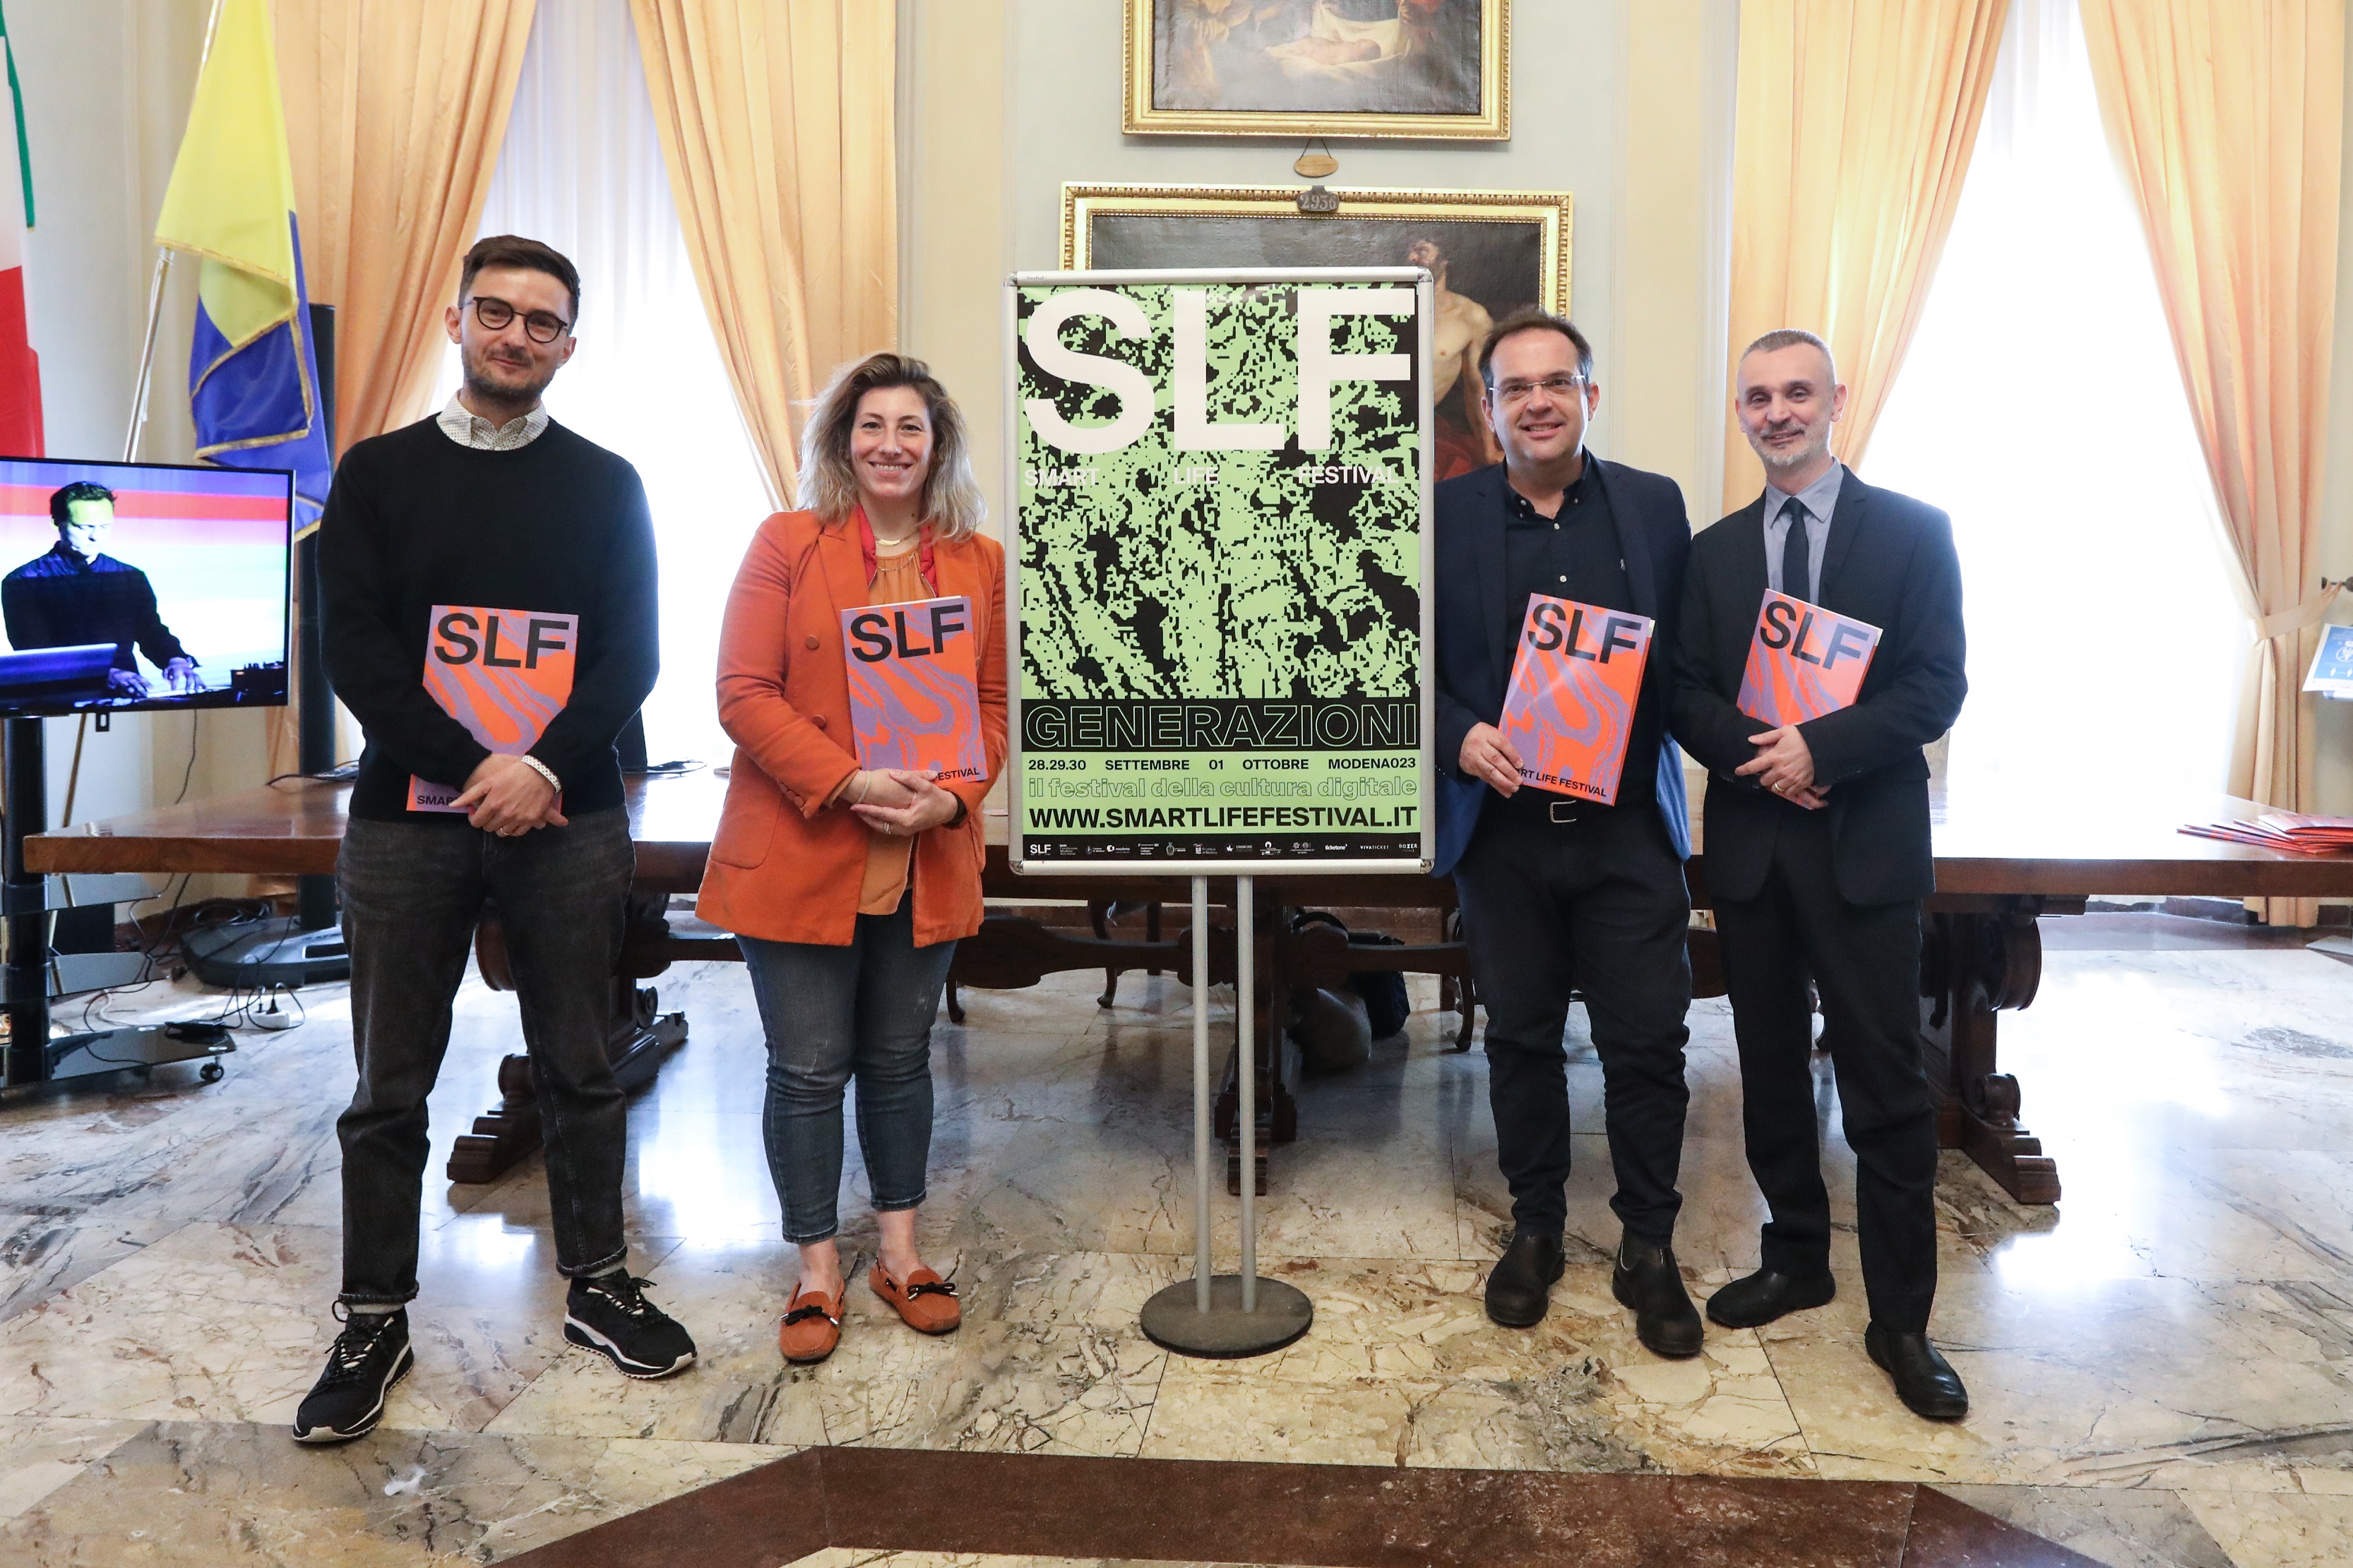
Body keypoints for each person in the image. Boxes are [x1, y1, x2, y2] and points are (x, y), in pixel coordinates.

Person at [297, 235, 695, 1444]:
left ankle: (599, 1285)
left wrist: (541, 769)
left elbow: (633, 653)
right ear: (457, 320)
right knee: (387, 1089)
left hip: (565, 815)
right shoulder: (375, 474)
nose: (516, 335)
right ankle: (373, 1314)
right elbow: (355, 648)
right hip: (407, 823)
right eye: (497, 312)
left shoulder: (607, 482)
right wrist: (477, 768)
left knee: (582, 1064)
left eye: (542, 321)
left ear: (569, 345)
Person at [1670, 328, 1969, 1420]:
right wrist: (1766, 752)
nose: (1778, 411)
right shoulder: (1711, 554)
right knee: (1770, 1071)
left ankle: (1902, 1319)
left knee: (1889, 1092)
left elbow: (1938, 686)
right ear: (1741, 411)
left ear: (1836, 399)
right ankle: (1796, 1255)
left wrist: (1823, 751)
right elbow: (1682, 691)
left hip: (1865, 851)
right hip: (1755, 851)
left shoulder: (1914, 533)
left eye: (1798, 392)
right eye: (1758, 395)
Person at [698, 352, 1006, 1366]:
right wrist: (856, 783)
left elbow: (994, 709)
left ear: (937, 444)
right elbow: (745, 694)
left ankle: (901, 1251)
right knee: (807, 1068)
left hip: (927, 855)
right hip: (804, 845)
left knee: (900, 1061)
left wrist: (954, 795)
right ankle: (818, 1266)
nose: (890, 444)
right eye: (871, 425)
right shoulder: (788, 543)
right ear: (842, 441)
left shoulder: (979, 560)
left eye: (910, 427)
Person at [1432, 310, 1703, 1355]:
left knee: (1648, 1045)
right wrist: (1458, 735)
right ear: (1490, 407)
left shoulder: (1652, 505)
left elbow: (1684, 659)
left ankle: (1649, 1243)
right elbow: (1399, 663)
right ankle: (1536, 1228)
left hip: (1629, 828)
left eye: (1558, 382)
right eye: (1515, 388)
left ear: (1593, 393)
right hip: (1504, 834)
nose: (1537, 402)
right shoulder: (1444, 515)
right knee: (1522, 1040)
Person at [4, 481, 201, 697]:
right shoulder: (22, 581)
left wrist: (176, 659)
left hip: (127, 696)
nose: (96, 536)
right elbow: (36, 653)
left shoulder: (130, 576)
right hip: (59, 696)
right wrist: (108, 674)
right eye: (84, 527)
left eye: (104, 527)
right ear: (58, 522)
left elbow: (150, 630)